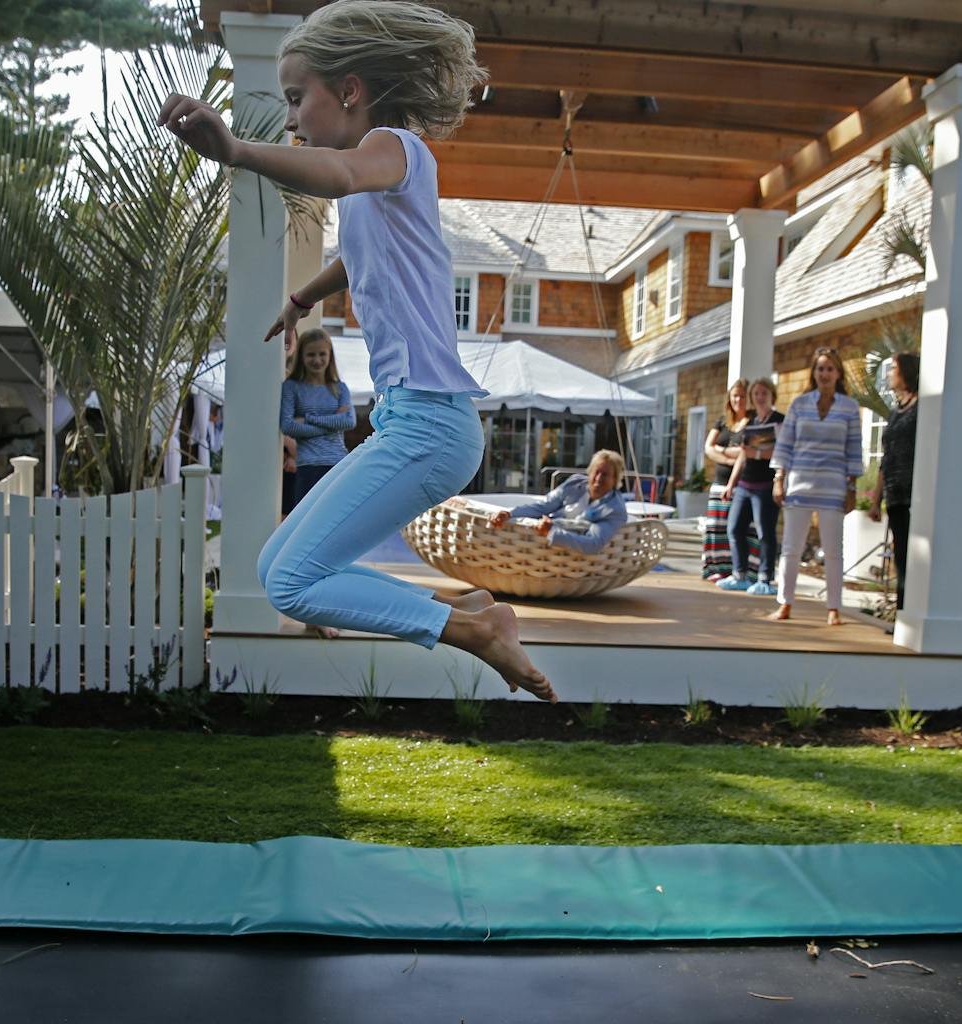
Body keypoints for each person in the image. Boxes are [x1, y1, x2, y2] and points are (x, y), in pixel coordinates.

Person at [158, 0, 554, 701]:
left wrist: (237, 153)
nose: (290, 119)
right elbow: (363, 254)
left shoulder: (395, 149)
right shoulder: (382, 180)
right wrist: (304, 298)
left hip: (430, 427)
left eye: (295, 98)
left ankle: (472, 632)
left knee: (290, 582)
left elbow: (339, 173)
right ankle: (469, 614)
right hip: (413, 420)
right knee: (280, 561)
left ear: (349, 91)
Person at [769, 348, 863, 626]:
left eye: (830, 369)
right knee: (791, 548)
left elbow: (854, 448)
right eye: (820, 368)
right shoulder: (799, 404)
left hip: (833, 486)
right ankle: (784, 603)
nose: (825, 374)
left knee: (833, 550)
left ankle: (834, 608)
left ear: (838, 373)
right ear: (814, 372)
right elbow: (785, 443)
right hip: (799, 483)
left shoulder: (849, 407)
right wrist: (779, 479)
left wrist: (852, 488)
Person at [488, 450, 628, 553]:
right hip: (539, 538)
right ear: (590, 472)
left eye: (605, 474)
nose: (598, 478)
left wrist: (552, 532)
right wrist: (509, 513)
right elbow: (544, 506)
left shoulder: (615, 510)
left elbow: (592, 544)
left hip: (566, 553)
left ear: (615, 480)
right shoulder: (575, 484)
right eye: (596, 472)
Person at [719, 378, 783, 595]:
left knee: (765, 532)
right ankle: (740, 575)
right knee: (734, 529)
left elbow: (781, 452)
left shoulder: (779, 420)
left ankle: (765, 578)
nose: (759, 396)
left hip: (766, 485)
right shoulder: (752, 422)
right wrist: (731, 484)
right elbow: (743, 456)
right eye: (756, 393)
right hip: (745, 485)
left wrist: (759, 453)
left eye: (764, 392)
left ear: (771, 395)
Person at [867, 352, 919, 610]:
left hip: (916, 496)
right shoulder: (897, 412)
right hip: (896, 496)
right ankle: (902, 614)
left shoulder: (923, 408)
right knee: (901, 559)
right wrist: (876, 500)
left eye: (893, 368)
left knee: (914, 560)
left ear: (906, 372)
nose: (888, 374)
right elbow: (886, 459)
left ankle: (909, 613)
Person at [281, 328, 355, 505]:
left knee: (337, 521)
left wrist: (308, 419)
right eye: (311, 355)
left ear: (330, 356)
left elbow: (349, 421)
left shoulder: (340, 388)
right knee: (306, 523)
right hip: (308, 466)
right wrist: (333, 422)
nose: (317, 360)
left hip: (338, 464)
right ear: (301, 356)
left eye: (322, 354)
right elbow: (287, 426)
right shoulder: (291, 387)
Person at [701, 380, 749, 581]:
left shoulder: (752, 421)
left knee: (735, 528)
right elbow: (708, 447)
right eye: (735, 395)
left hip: (740, 485)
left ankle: (734, 570)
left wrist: (723, 450)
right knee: (715, 527)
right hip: (719, 483)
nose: (738, 399)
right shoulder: (723, 421)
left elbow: (745, 451)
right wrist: (729, 458)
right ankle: (715, 568)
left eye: (742, 396)